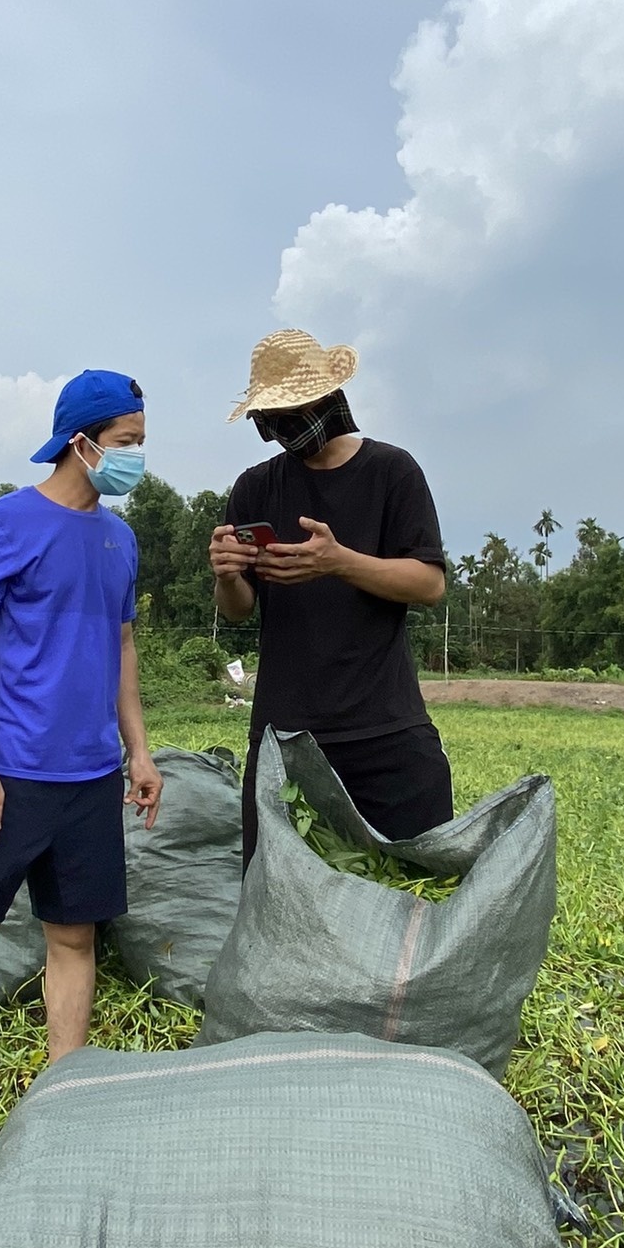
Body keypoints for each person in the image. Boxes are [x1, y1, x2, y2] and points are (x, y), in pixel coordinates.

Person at [0, 369, 163, 1228]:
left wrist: (138, 750)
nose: (136, 457)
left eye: (139, 441)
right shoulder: (1, 524)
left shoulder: (119, 542)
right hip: (9, 777)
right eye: (127, 441)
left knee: (73, 941)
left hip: (89, 780)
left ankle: (62, 1115)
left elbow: (122, 653)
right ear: (82, 439)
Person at [209, 328, 450, 863]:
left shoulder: (392, 472)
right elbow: (239, 608)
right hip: (285, 733)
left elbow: (428, 584)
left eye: (290, 409)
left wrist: (339, 561)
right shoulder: (255, 487)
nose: (279, 427)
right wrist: (227, 574)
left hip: (385, 728)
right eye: (268, 416)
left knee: (416, 892)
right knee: (276, 899)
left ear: (328, 398)